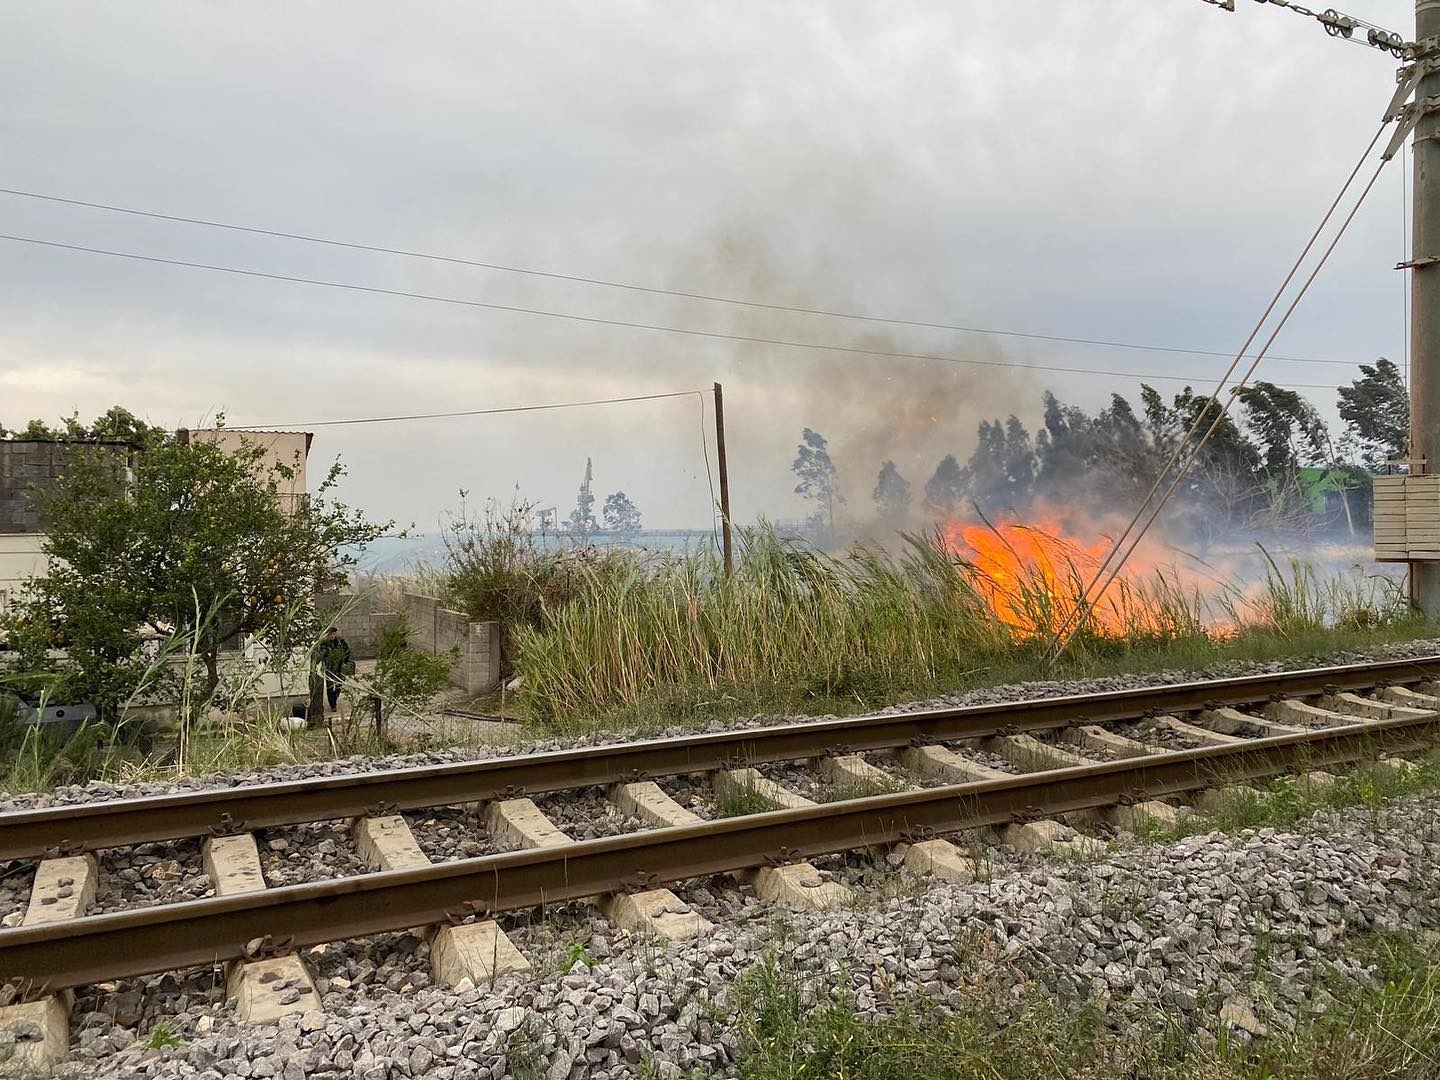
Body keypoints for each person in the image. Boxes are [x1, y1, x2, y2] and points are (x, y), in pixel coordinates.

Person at [318, 626, 354, 714]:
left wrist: (345, 661)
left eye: (334, 634)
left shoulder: (340, 642)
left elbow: (347, 651)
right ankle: (333, 705)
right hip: (329, 668)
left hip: (339, 667)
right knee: (330, 687)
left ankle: (335, 698)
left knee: (339, 685)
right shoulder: (324, 644)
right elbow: (321, 655)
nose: (332, 636)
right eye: (330, 634)